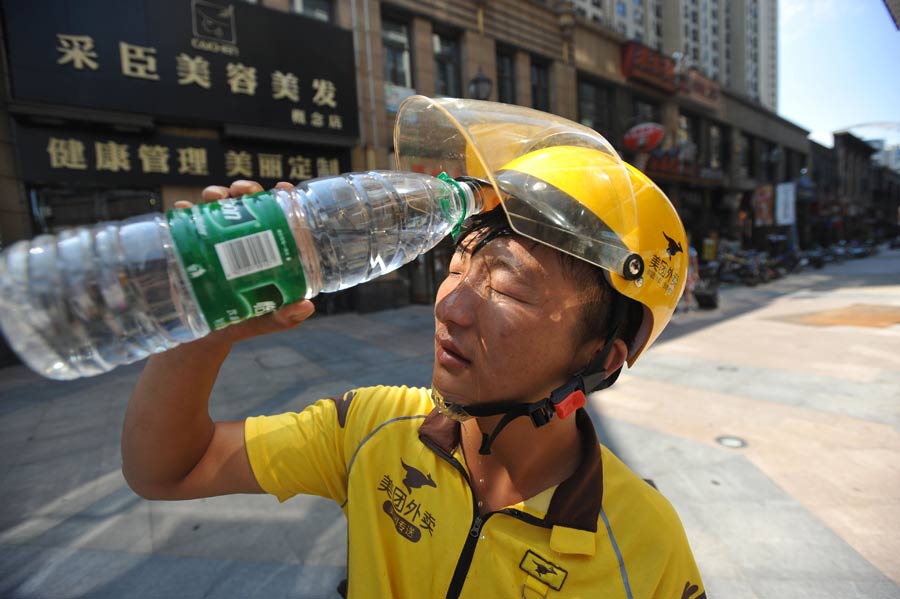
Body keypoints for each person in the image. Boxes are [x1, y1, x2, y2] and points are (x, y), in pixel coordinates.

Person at [122, 98, 705, 598]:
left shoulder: (644, 547)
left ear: (601, 357)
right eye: (458, 265)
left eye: (507, 286)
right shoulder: (374, 429)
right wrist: (202, 327)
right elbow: (170, 470)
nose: (450, 307)